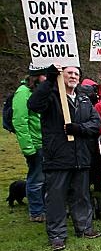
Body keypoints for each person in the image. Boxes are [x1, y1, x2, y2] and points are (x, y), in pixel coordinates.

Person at [28, 65, 101, 251]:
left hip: (81, 156)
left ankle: (84, 227)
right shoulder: (51, 96)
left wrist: (79, 129)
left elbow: (95, 123)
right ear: (62, 75)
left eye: (76, 73)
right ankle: (57, 235)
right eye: (69, 72)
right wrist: (50, 81)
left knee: (81, 195)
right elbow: (33, 105)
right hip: (58, 156)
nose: (73, 76)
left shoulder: (84, 98)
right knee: (56, 198)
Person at [12, 64, 47, 222]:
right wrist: (28, 148)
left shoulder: (41, 91)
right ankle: (36, 211)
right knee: (36, 178)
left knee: (46, 178)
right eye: (44, 75)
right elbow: (20, 122)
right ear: (37, 76)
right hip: (35, 144)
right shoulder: (23, 93)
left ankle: (45, 207)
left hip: (46, 142)